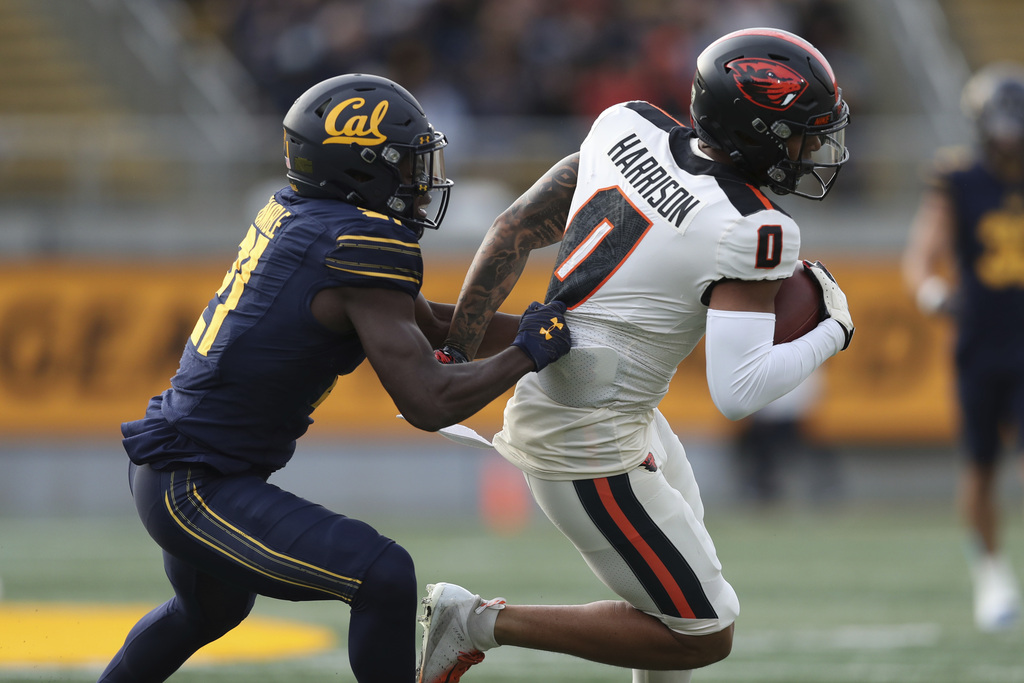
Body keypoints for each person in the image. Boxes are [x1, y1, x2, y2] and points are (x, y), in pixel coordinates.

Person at [95, 73, 570, 683]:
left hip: (181, 467)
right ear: (361, 167)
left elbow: (428, 326)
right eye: (407, 165)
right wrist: (528, 353)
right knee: (382, 575)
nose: (421, 182)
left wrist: (550, 326)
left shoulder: (310, 219)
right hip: (196, 485)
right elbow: (428, 402)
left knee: (207, 611)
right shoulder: (359, 244)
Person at [416, 27, 855, 683]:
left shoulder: (627, 125)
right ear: (757, 131)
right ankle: (475, 620)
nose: (812, 148)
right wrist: (834, 329)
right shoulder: (754, 228)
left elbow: (514, 228)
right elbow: (738, 391)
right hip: (586, 442)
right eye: (800, 131)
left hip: (614, 411)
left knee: (665, 604)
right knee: (702, 631)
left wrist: (454, 350)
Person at [902, 61, 1024, 632]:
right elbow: (925, 251)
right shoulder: (958, 177)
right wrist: (931, 291)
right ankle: (992, 574)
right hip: (981, 339)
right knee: (980, 464)